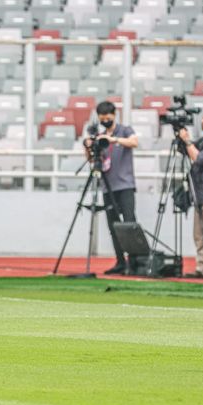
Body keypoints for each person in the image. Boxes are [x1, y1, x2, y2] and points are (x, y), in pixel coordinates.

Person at [83, 101, 139, 275]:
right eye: (102, 117)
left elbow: (134, 142)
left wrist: (113, 140)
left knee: (129, 224)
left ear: (114, 115)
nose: (105, 120)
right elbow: (93, 161)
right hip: (107, 187)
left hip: (125, 185)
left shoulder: (124, 130)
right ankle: (120, 262)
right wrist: (88, 146)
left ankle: (135, 262)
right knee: (113, 226)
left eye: (108, 117)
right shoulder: (99, 135)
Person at [178, 110, 203, 278]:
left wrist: (187, 140)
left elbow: (200, 159)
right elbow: (186, 151)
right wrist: (181, 139)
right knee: (199, 236)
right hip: (199, 196)